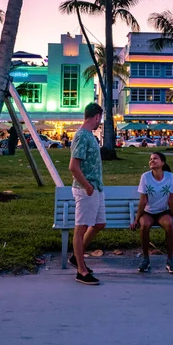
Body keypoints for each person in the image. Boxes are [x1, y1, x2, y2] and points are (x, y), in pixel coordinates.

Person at [130, 152, 173, 274]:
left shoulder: (170, 177)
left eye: (155, 159)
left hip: (163, 212)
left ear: (163, 163)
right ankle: (146, 259)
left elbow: (171, 201)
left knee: (170, 225)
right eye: (150, 159)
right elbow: (143, 200)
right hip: (147, 212)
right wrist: (136, 220)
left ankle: (170, 260)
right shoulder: (145, 177)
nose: (152, 161)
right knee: (144, 225)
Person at [69, 102, 105, 285]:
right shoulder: (82, 136)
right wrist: (87, 187)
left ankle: (77, 256)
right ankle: (81, 271)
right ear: (97, 116)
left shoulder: (90, 135)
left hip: (96, 188)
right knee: (81, 227)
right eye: (101, 118)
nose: (100, 121)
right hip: (86, 190)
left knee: (99, 223)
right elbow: (73, 166)